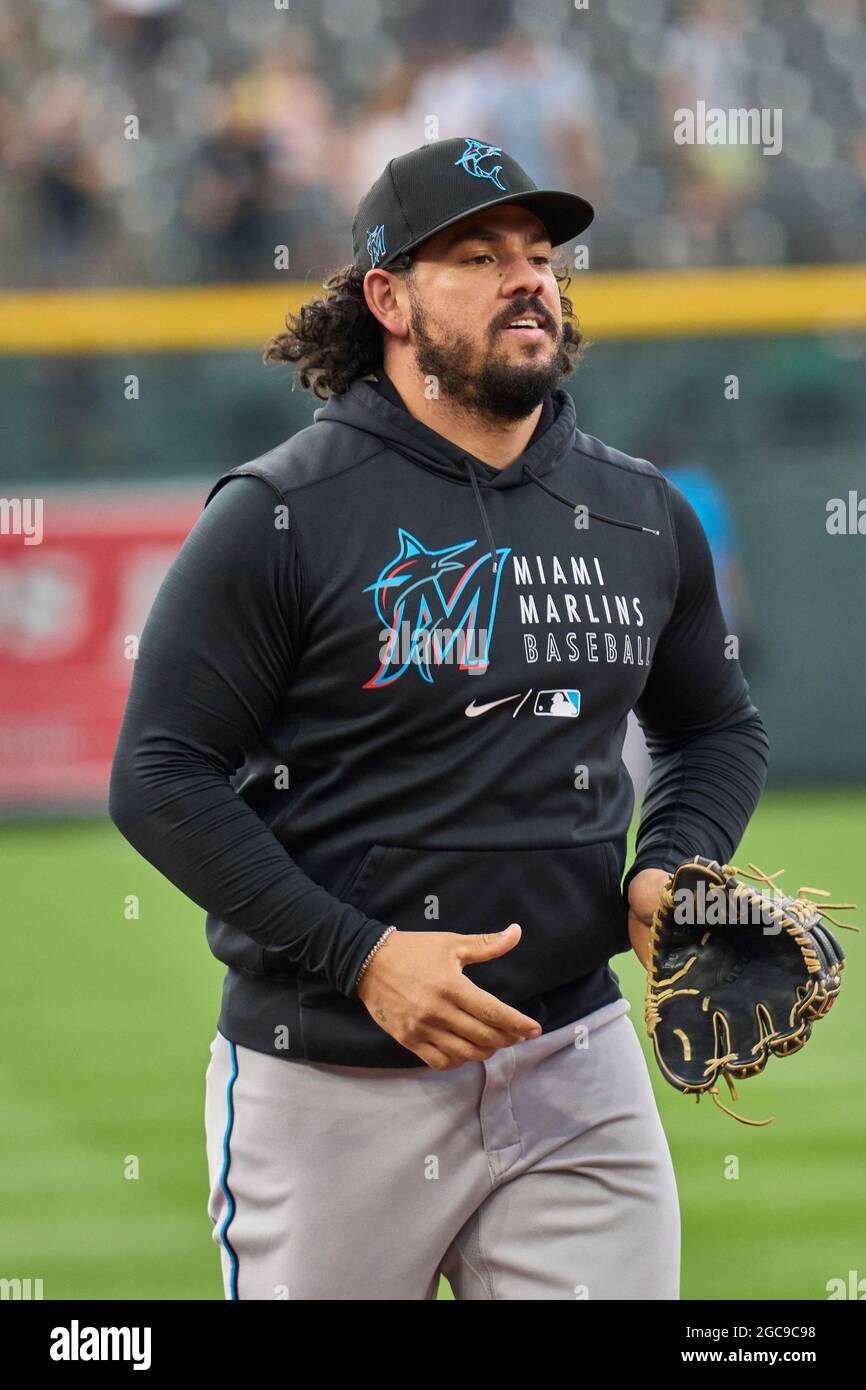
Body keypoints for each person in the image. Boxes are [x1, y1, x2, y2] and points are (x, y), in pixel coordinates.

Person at [108, 137, 769, 1300]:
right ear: (388, 298)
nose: (528, 278)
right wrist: (359, 956)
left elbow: (713, 729)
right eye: (476, 254)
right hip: (332, 1082)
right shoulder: (281, 513)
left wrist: (669, 865)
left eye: (539, 254)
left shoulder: (638, 511)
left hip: (574, 1060)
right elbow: (160, 775)